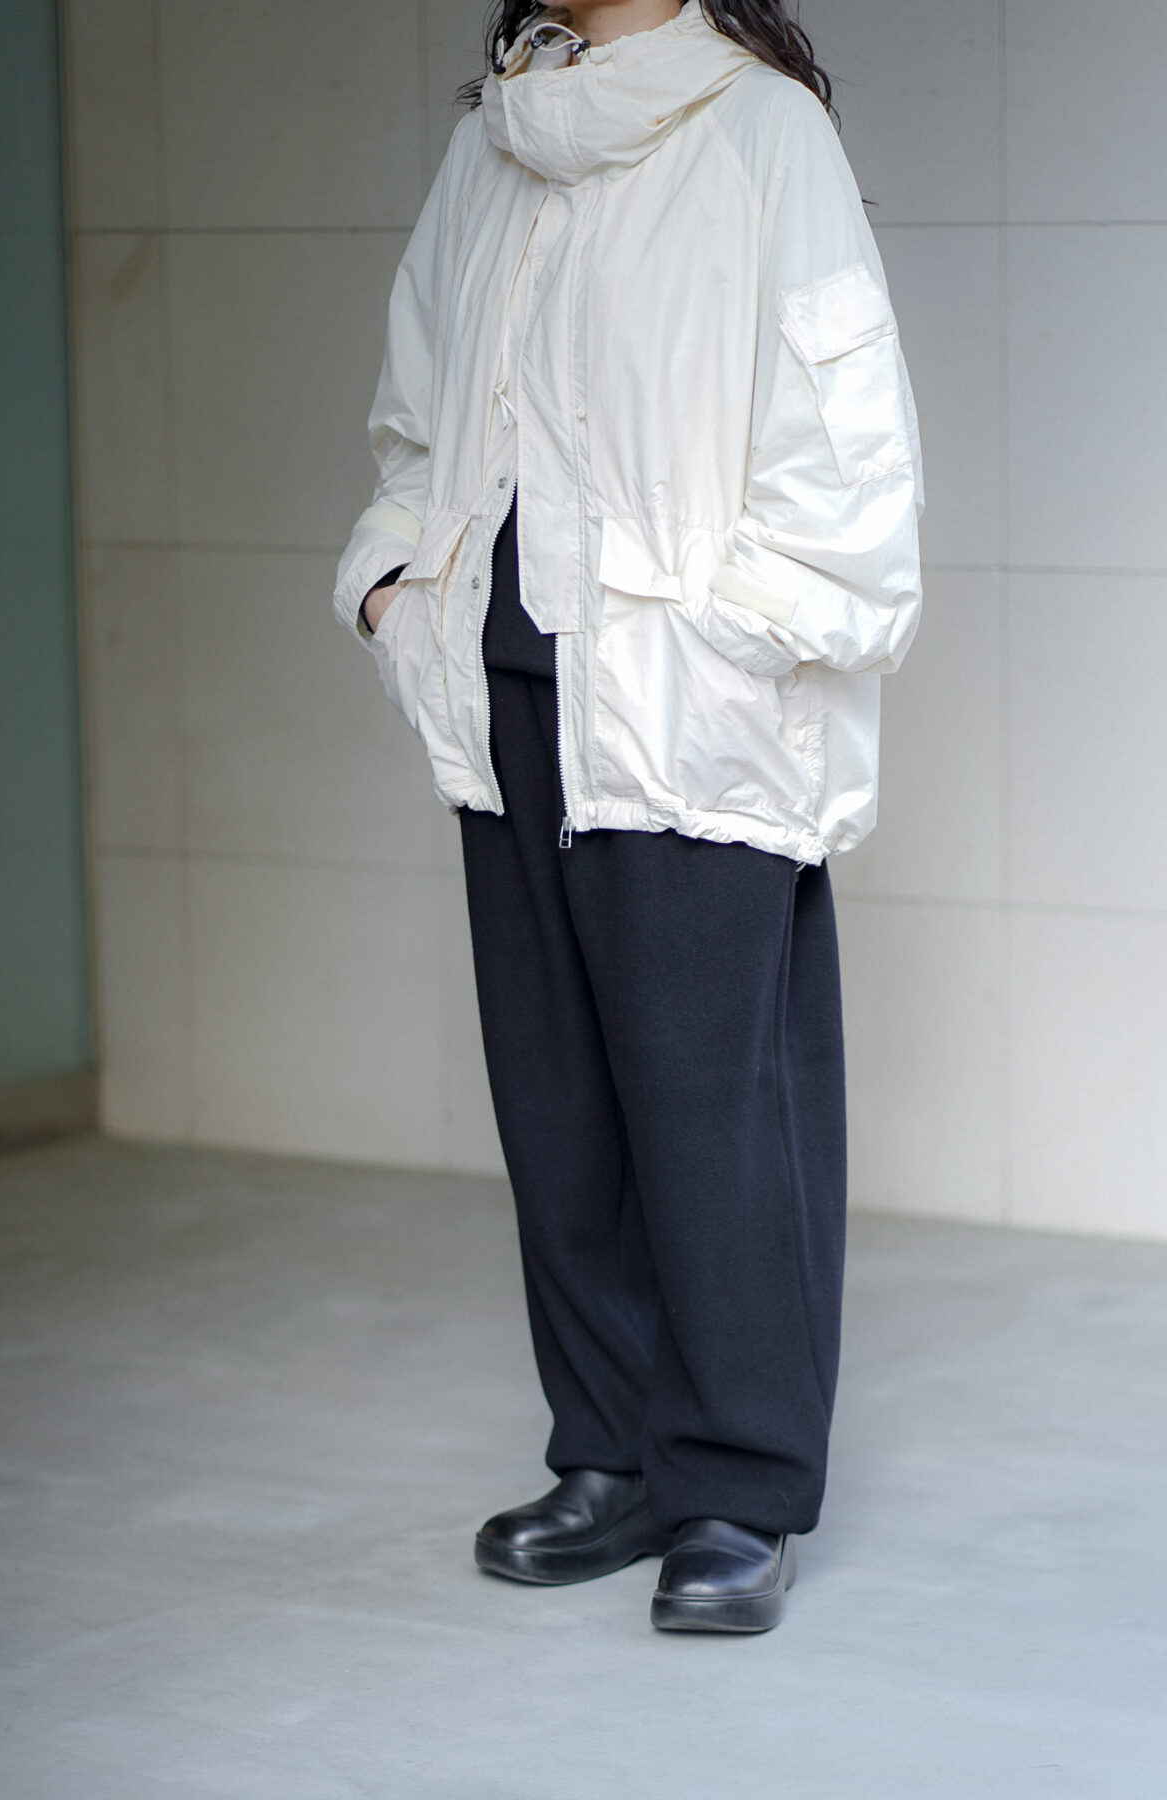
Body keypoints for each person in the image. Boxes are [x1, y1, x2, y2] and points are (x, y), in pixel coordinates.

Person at [333, 0, 923, 1634]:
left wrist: (730, 638)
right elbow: (416, 418)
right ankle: (608, 1455)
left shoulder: (762, 133)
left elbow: (848, 456)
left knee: (713, 1111)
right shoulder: (493, 143)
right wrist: (392, 589)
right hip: (507, 688)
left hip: (685, 702)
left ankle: (737, 1481)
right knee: (559, 1102)